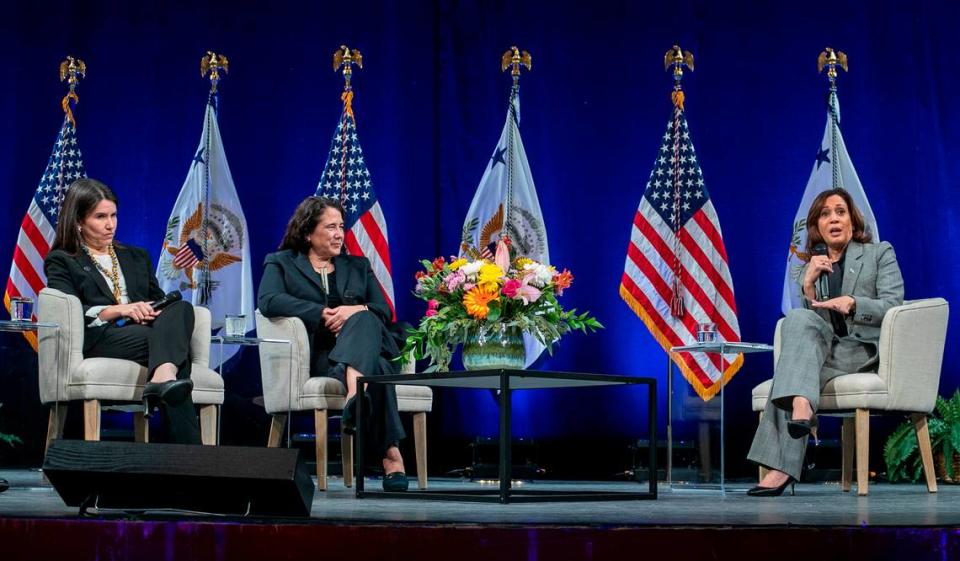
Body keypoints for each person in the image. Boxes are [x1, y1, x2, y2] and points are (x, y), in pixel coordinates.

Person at [746, 188, 904, 496]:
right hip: (827, 351)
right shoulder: (814, 266)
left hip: (862, 349)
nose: (833, 219)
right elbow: (809, 327)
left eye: (840, 212)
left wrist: (855, 303)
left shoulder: (879, 253)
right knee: (796, 322)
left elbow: (893, 304)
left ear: (852, 220)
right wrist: (807, 287)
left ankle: (782, 466)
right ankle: (803, 408)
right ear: (817, 226)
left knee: (791, 371)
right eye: (825, 214)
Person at [257, 196, 409, 492]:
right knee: (376, 367)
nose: (340, 233)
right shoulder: (282, 263)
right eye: (330, 227)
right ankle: (392, 457)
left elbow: (383, 310)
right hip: (322, 357)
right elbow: (268, 300)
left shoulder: (358, 265)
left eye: (341, 226)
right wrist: (320, 313)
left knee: (364, 318)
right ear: (307, 233)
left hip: (359, 349)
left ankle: (355, 398)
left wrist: (353, 311)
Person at [44, 178, 201, 444]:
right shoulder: (62, 260)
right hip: (101, 337)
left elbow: (158, 299)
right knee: (173, 350)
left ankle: (164, 375)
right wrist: (119, 310)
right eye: (100, 216)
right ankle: (191, 456)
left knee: (181, 308)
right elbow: (71, 312)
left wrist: (151, 310)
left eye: (114, 215)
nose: (110, 224)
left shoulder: (136, 256)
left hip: (143, 331)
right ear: (79, 222)